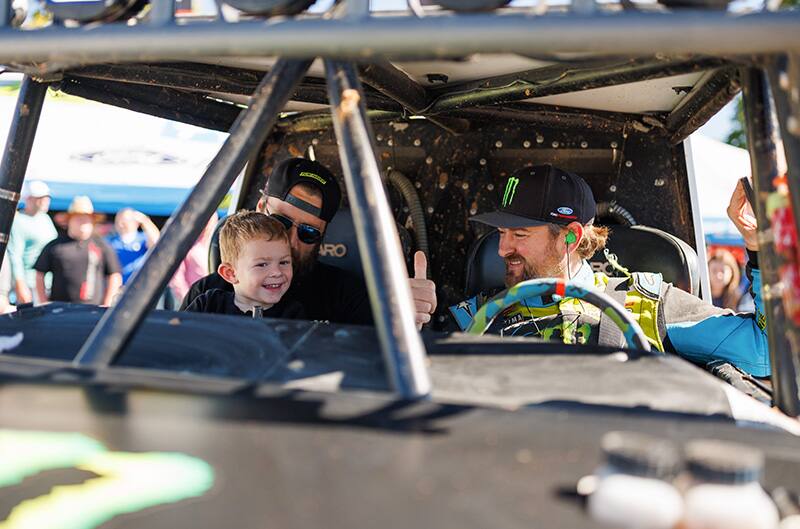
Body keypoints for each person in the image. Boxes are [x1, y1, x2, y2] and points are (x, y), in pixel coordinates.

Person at [448, 165, 770, 377]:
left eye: (519, 235)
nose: (502, 249)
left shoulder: (646, 304)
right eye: (501, 233)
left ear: (571, 237)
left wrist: (761, 248)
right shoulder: (479, 315)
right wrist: (407, 315)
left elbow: (764, 353)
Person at [180, 158, 437, 328]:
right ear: (261, 208)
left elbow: (375, 363)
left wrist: (401, 319)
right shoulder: (207, 295)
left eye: (308, 232)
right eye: (280, 221)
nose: (290, 241)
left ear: (322, 237)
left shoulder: (346, 295)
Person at [185, 211, 304, 318]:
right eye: (262, 265)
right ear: (230, 273)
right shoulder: (208, 305)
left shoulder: (293, 315)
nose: (277, 272)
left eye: (284, 262)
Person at [34, 196, 122, 306]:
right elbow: (39, 274)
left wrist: (107, 304)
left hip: (93, 311)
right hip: (59, 311)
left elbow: (114, 276)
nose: (83, 222)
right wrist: (44, 303)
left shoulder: (102, 246)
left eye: (86, 219)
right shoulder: (55, 246)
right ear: (69, 221)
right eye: (78, 218)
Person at [6, 180, 57, 304]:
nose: (46, 201)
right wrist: (20, 286)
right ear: (29, 199)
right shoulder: (18, 221)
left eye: (47, 197)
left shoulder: (46, 219)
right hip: (29, 285)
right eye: (41, 198)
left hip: (48, 283)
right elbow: (15, 256)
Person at [170, 212, 218, 303]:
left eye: (210, 220)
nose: (207, 224)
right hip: (194, 301)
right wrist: (188, 301)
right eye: (205, 220)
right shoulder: (186, 245)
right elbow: (177, 278)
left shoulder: (216, 244)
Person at [106, 208, 160, 285]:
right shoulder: (111, 241)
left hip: (139, 286)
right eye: (118, 220)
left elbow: (157, 242)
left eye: (125, 220)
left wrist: (145, 221)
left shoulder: (143, 238)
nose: (121, 224)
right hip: (119, 287)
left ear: (136, 223)